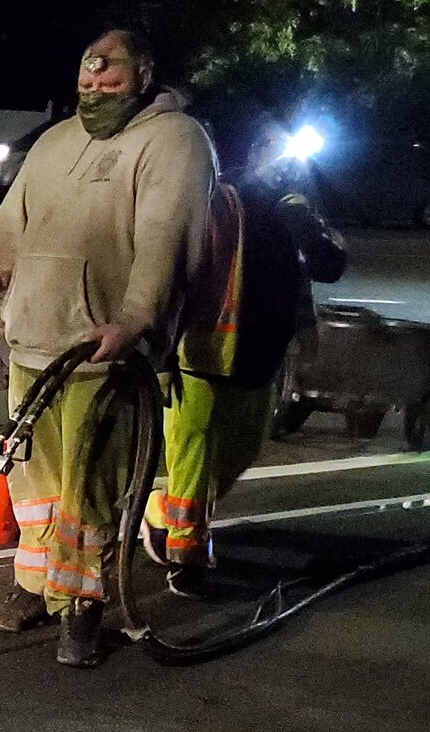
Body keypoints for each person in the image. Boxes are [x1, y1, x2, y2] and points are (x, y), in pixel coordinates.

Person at [0, 28, 216, 666]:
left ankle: (82, 606)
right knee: (34, 485)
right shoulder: (56, 141)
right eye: (87, 73)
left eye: (111, 74)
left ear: (144, 74)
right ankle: (35, 586)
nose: (95, 84)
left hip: (104, 354)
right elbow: (10, 227)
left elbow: (165, 237)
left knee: (90, 491)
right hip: (35, 343)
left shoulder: (173, 142)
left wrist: (133, 320)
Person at [148, 121, 347, 594]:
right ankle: (187, 556)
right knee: (194, 455)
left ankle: (161, 511)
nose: (280, 161)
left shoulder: (293, 208)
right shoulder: (212, 196)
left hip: (262, 348)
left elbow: (330, 267)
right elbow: (171, 268)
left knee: (240, 451)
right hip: (201, 349)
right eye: (269, 147)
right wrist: (158, 349)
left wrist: (302, 217)